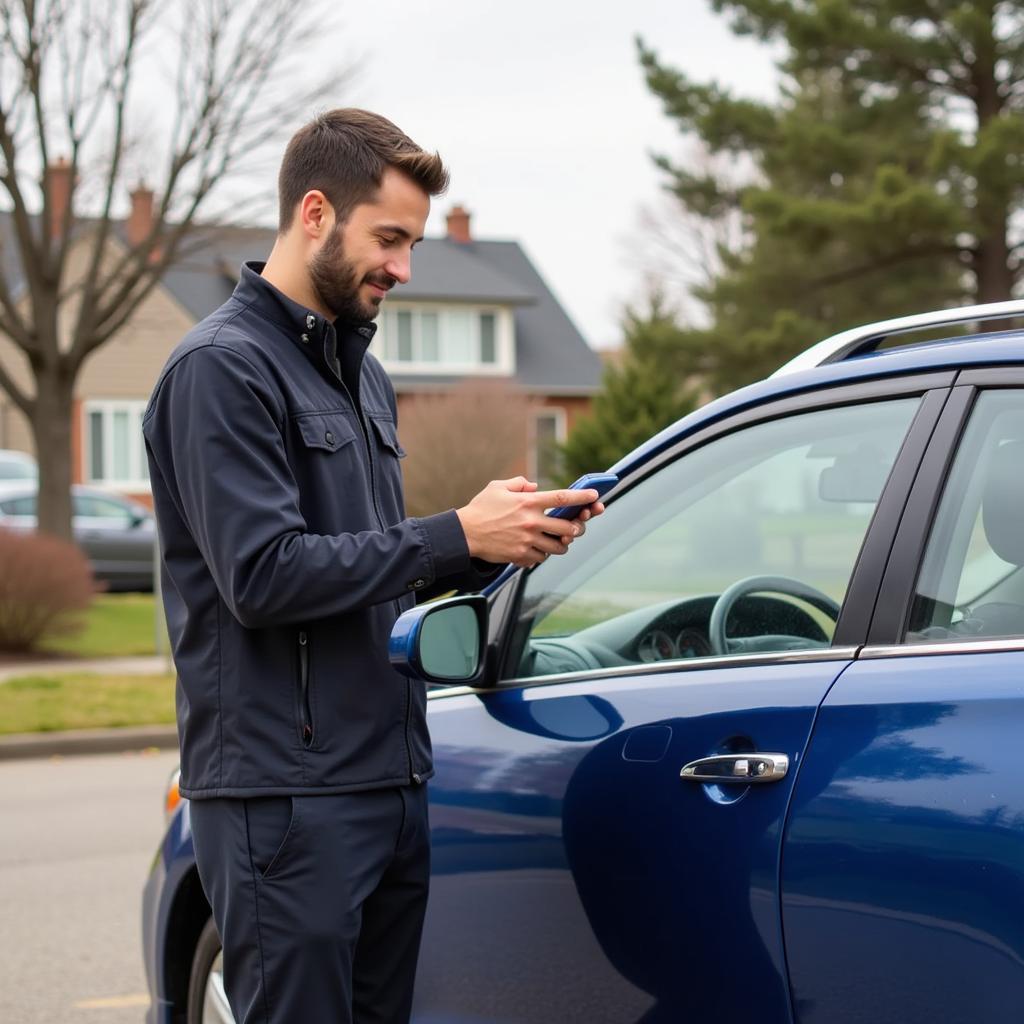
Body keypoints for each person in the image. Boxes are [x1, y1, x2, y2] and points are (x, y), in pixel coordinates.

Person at [143, 108, 603, 1024]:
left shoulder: (361, 376)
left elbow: (367, 569)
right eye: (389, 238)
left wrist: (501, 539)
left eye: (414, 243)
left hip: (388, 782)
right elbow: (265, 575)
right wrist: (454, 533)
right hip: (285, 800)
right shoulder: (220, 371)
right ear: (315, 213)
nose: (403, 267)